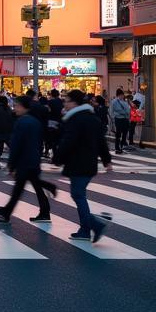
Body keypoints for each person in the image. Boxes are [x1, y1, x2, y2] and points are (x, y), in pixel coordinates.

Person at [53, 88, 113, 243]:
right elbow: (101, 141)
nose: (64, 104)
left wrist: (58, 157)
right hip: (89, 162)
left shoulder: (75, 119)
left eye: (66, 101)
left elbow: (69, 141)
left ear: (74, 102)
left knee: (78, 195)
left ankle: (91, 227)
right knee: (78, 194)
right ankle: (88, 228)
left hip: (78, 162)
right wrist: (106, 160)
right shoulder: (91, 118)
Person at [0, 97, 56, 223]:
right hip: (33, 159)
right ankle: (44, 209)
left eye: (16, 106)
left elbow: (16, 145)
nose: (14, 108)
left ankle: (7, 211)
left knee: (19, 189)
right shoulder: (35, 121)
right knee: (34, 185)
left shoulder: (22, 122)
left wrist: (11, 165)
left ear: (23, 107)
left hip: (24, 161)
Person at [110, 88, 130, 154]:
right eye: (121, 95)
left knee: (124, 133)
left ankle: (121, 147)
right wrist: (113, 119)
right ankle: (117, 148)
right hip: (119, 119)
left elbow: (128, 109)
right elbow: (112, 111)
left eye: (123, 95)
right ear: (119, 95)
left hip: (125, 119)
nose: (123, 96)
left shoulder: (124, 101)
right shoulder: (114, 101)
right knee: (118, 134)